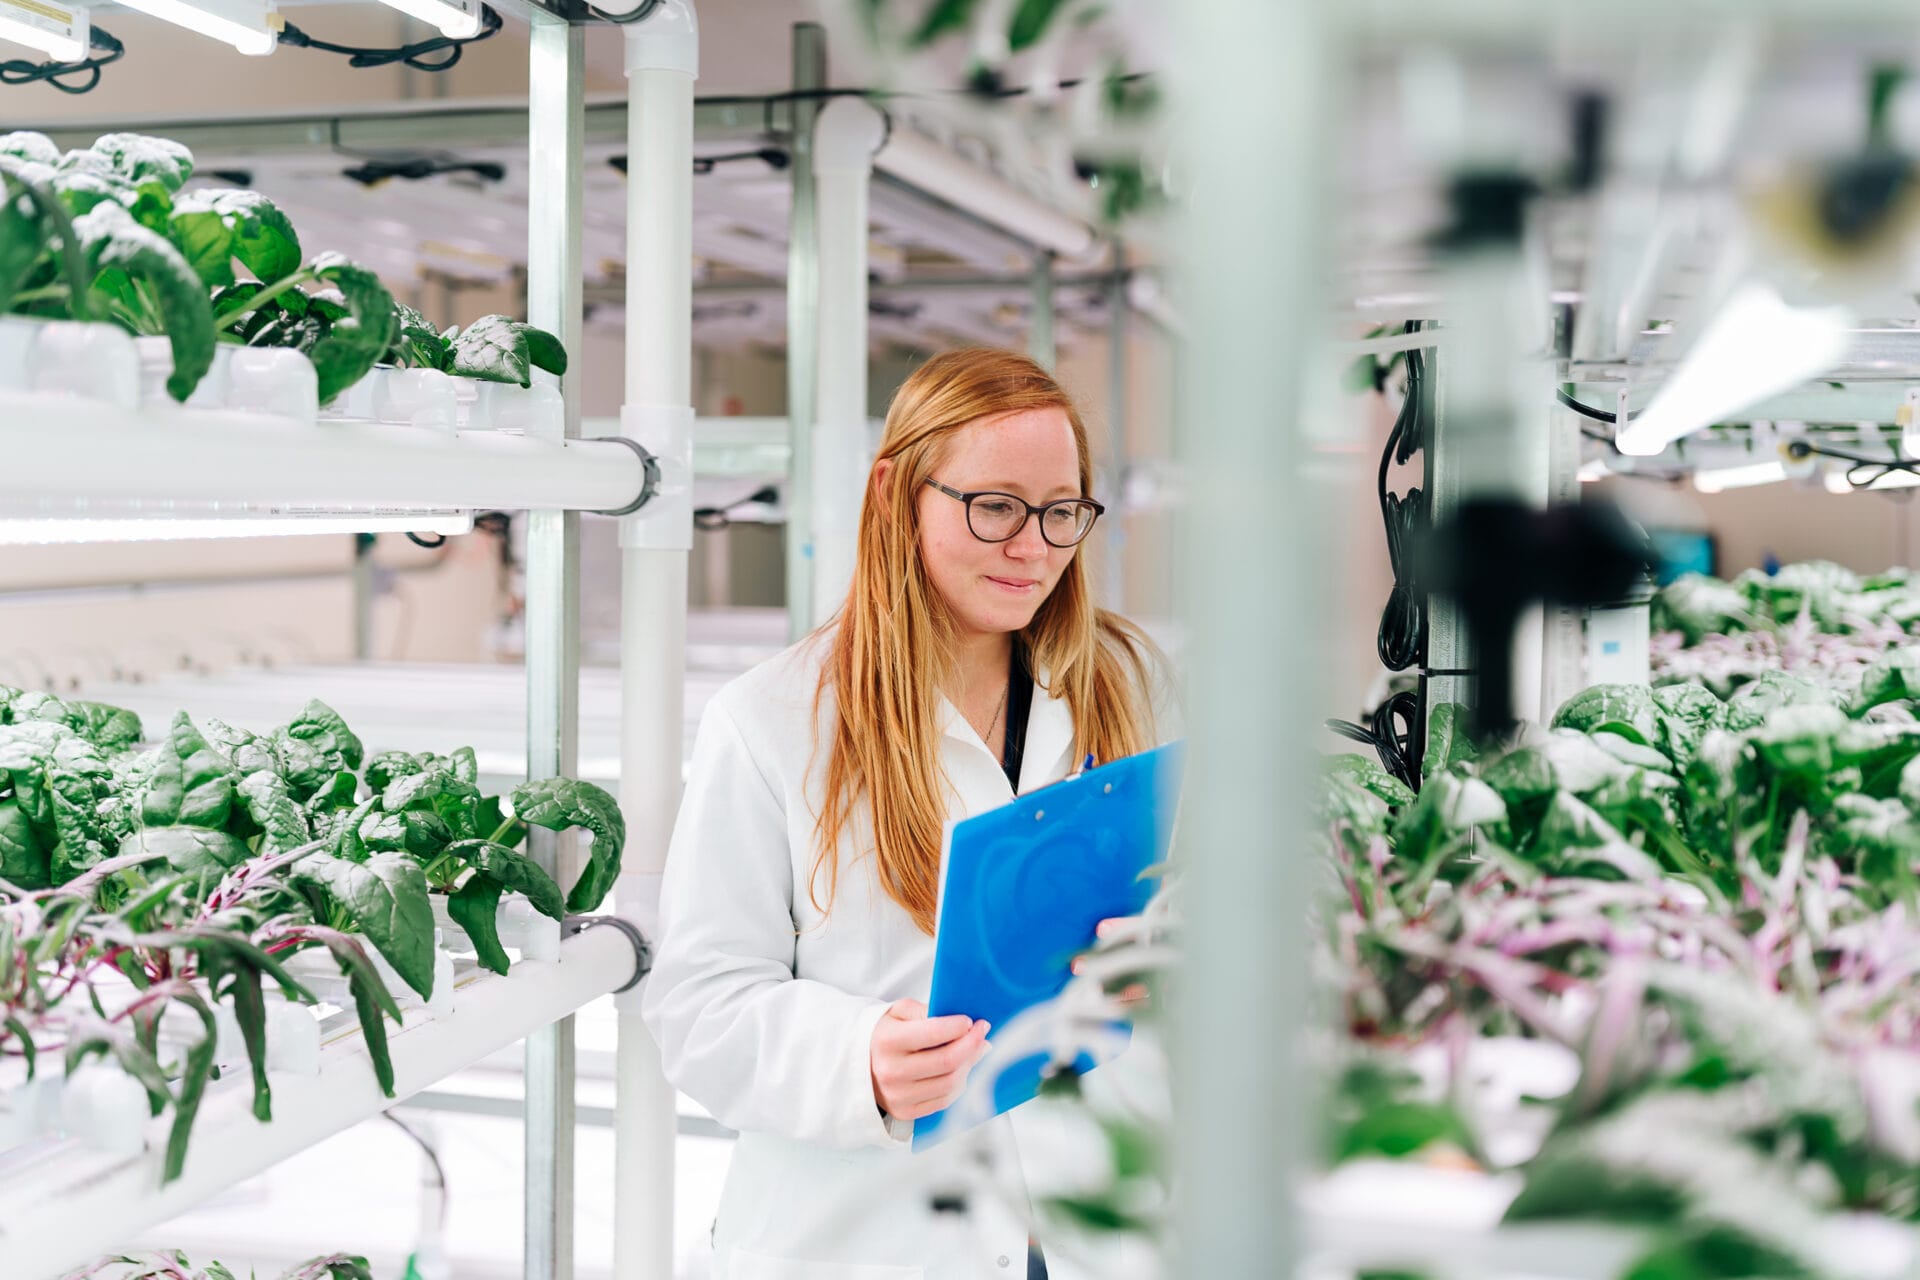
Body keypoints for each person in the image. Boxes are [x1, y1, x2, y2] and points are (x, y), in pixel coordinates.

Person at [642, 348, 1176, 1280]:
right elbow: (699, 1008)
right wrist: (863, 1061)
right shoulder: (771, 722)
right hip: (866, 1238)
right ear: (896, 492)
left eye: (1062, 511)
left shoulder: (1130, 683)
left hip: (1096, 1223)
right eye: (996, 506)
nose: (1035, 546)